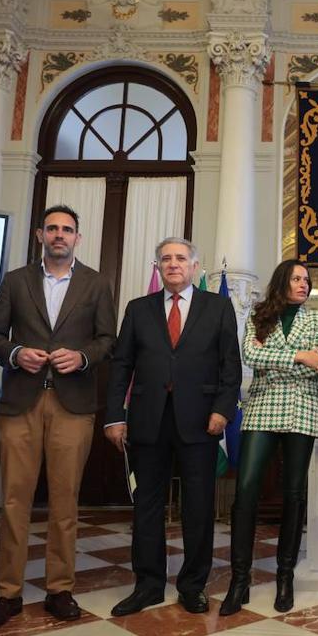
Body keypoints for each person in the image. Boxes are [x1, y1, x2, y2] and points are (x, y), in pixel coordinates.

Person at [0, 205, 116, 631]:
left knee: (64, 500)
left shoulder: (95, 283)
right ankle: (8, 593)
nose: (59, 235)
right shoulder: (16, 281)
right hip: (21, 402)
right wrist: (16, 353)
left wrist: (84, 356)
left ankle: (59, 588)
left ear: (78, 237)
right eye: (52, 229)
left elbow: (108, 339)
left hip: (73, 405)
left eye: (67, 230)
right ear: (40, 235)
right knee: (15, 501)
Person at [104, 237, 240, 616]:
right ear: (158, 267)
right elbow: (121, 367)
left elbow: (231, 365)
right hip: (147, 421)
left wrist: (223, 411)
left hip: (201, 421)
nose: (173, 264)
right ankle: (147, 585)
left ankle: (193, 585)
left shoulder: (219, 306)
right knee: (147, 507)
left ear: (195, 266)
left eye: (181, 258)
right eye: (166, 259)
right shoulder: (138, 309)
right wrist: (115, 415)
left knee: (197, 507)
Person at [219, 260, 318, 615]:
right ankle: (240, 580)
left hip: (302, 408)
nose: (303, 284)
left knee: (295, 494)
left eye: (306, 280)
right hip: (262, 407)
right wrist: (298, 355)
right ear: (281, 281)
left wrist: (282, 360)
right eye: (296, 278)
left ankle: (285, 577)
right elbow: (250, 355)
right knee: (247, 489)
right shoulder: (258, 315)